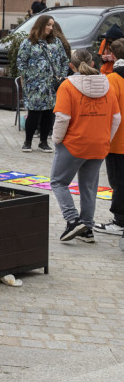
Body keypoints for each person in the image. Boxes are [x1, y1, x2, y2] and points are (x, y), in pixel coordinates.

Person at [51, 49, 120, 243]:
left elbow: (63, 118)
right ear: (92, 64)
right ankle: (87, 228)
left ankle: (72, 220)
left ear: (71, 66)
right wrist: (106, 138)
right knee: (89, 187)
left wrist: (57, 139)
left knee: (58, 182)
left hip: (74, 143)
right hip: (99, 144)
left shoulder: (67, 86)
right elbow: (116, 117)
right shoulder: (107, 85)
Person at [17, 14, 70, 153]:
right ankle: (28, 142)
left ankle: (44, 142)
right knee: (33, 113)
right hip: (35, 85)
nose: (51, 28)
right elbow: (21, 62)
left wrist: (61, 76)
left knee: (48, 113)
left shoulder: (56, 42)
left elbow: (64, 60)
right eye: (48, 25)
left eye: (52, 25)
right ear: (41, 25)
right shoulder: (28, 43)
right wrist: (29, 77)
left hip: (52, 85)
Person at [95, 38, 124, 236]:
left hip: (117, 140)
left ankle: (120, 221)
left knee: (119, 182)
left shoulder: (112, 79)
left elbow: (108, 111)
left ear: (112, 55)